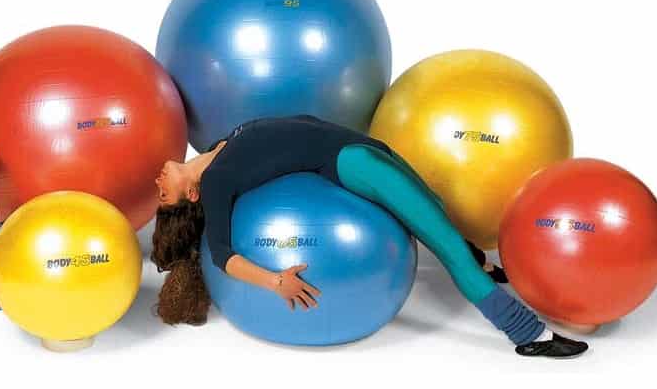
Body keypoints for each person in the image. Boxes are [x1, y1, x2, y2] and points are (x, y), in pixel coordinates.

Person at [152, 115, 588, 359]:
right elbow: (222, 253)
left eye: (159, 189)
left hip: (365, 148)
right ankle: (528, 334)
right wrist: (275, 280)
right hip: (352, 164)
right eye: (164, 195)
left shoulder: (217, 143)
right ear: (193, 194)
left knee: (436, 208)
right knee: (446, 245)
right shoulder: (215, 182)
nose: (157, 183)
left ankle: (483, 264)